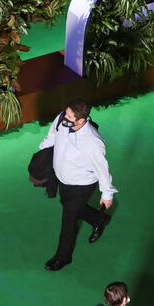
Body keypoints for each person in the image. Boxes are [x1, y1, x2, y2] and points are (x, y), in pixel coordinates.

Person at [39, 98, 115, 271]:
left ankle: (63, 257)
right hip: (63, 180)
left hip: (81, 185)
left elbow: (102, 169)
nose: (64, 118)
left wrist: (107, 194)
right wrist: (41, 156)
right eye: (65, 113)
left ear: (81, 120)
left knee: (69, 220)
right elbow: (51, 137)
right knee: (72, 208)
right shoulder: (62, 119)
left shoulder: (92, 142)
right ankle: (99, 219)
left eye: (69, 116)